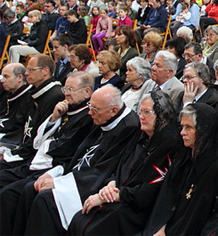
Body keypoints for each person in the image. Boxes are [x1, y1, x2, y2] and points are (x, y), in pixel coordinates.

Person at [17, 86, 139, 236]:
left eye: (95, 109)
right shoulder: (104, 119)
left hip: (90, 185)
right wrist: (55, 172)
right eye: (90, 107)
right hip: (76, 176)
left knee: (45, 199)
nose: (89, 112)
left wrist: (59, 183)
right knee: (31, 189)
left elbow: (103, 170)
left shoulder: (128, 127)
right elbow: (80, 154)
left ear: (113, 110)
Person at [68, 91, 179, 235]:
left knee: (94, 228)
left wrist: (118, 195)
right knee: (78, 219)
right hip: (118, 194)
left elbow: (151, 191)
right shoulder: (138, 135)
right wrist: (110, 184)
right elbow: (119, 166)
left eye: (147, 112)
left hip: (137, 207)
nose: (141, 117)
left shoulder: (169, 146)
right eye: (140, 111)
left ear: (162, 115)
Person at [144, 104, 218, 235]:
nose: (182, 132)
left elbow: (199, 212)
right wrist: (159, 227)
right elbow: (165, 197)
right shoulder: (184, 155)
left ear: (204, 130)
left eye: (189, 127)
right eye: (182, 127)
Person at [0, 63, 33, 148]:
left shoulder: (29, 97)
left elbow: (17, 126)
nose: (2, 80)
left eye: (6, 77)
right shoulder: (9, 92)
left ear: (19, 77)